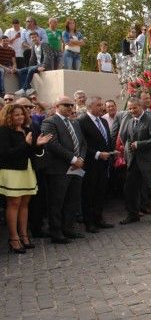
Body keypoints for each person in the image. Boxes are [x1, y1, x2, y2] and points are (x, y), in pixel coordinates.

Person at [0, 104, 52, 253]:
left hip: (28, 169)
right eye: (16, 115)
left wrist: (37, 145)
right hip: (12, 171)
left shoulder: (27, 130)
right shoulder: (4, 131)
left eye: (22, 114)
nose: (20, 117)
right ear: (8, 116)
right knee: (14, 203)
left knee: (25, 203)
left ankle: (24, 235)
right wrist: (26, 144)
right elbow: (5, 154)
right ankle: (13, 238)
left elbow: (30, 151)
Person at [41, 96, 88, 244]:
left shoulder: (74, 122)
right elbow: (52, 145)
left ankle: (68, 229)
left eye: (71, 105)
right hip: (59, 170)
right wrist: (73, 159)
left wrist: (80, 159)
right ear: (57, 106)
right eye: (66, 105)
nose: (70, 107)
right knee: (57, 202)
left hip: (76, 169)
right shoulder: (50, 122)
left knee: (73, 200)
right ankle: (56, 232)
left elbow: (82, 143)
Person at [78, 96, 115, 233]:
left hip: (104, 163)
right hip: (90, 164)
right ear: (90, 106)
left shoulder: (103, 121)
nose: (102, 108)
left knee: (100, 192)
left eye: (101, 105)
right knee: (89, 193)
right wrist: (97, 154)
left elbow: (107, 139)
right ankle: (89, 222)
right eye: (99, 105)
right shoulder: (82, 121)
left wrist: (112, 151)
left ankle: (99, 219)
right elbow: (82, 145)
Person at [15, 32, 54, 97]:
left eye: (35, 37)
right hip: (38, 65)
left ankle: (24, 89)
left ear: (39, 37)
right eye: (32, 38)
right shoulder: (33, 47)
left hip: (45, 65)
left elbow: (47, 56)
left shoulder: (44, 45)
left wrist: (43, 66)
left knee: (31, 70)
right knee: (21, 71)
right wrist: (29, 67)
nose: (34, 39)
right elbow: (32, 59)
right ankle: (29, 89)